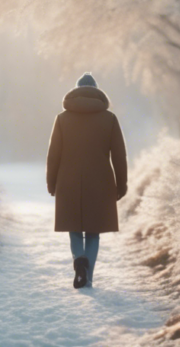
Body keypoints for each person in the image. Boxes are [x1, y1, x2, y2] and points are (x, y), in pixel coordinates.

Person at [46, 72, 128, 289]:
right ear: (97, 92)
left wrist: (51, 182)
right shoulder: (109, 119)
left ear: (75, 91)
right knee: (93, 232)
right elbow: (119, 155)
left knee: (74, 228)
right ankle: (87, 277)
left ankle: (79, 261)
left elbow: (54, 154)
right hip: (100, 181)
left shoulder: (62, 119)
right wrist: (122, 184)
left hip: (68, 180)